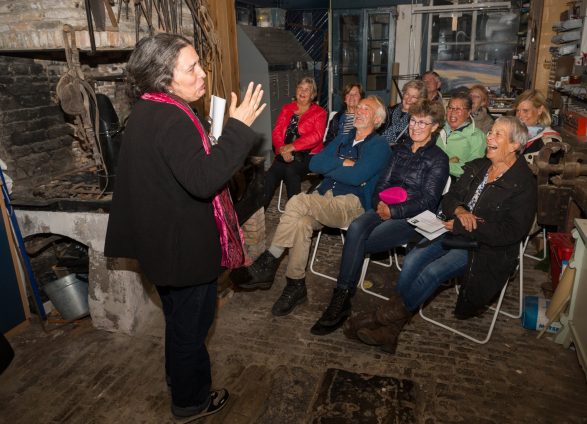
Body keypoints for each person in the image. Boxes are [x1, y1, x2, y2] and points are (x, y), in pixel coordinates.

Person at [104, 33, 266, 421]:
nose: (203, 73)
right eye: (191, 67)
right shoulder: (171, 116)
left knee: (178, 323)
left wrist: (212, 140)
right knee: (192, 329)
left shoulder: (147, 110)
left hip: (161, 246)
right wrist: (239, 128)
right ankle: (191, 402)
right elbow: (203, 180)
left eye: (200, 63)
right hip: (183, 250)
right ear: (164, 77)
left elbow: (177, 167)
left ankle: (179, 380)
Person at [344, 116, 537, 354]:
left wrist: (465, 225)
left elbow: (511, 232)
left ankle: (380, 319)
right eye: (491, 132)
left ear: (514, 145)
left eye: (498, 134)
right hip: (452, 228)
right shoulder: (479, 167)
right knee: (413, 259)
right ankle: (390, 331)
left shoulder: (523, 183)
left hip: (482, 246)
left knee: (433, 272)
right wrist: (459, 211)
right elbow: (449, 198)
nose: (489, 137)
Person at [232, 96, 391, 318]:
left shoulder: (380, 146)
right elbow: (314, 164)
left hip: (351, 204)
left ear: (377, 119)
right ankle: (295, 285)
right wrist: (342, 162)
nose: (359, 110)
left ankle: (269, 261)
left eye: (366, 109)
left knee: (296, 201)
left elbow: (357, 177)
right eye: (359, 107)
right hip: (323, 196)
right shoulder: (344, 137)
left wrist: (332, 165)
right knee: (301, 223)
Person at [311, 99, 449, 335]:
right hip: (384, 207)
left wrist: (394, 212)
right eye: (413, 121)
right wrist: (380, 204)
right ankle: (341, 298)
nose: (415, 127)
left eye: (423, 123)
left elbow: (429, 200)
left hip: (413, 218)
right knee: (356, 227)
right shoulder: (400, 149)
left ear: (435, 126)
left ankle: (343, 299)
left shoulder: (438, 159)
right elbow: (380, 183)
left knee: (360, 241)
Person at [263, 77, 327, 209]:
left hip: (309, 154)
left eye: (307, 89)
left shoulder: (320, 112)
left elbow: (317, 136)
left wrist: (292, 147)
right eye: (300, 88)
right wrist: (282, 149)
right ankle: (258, 212)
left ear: (313, 94)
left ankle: (295, 212)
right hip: (284, 151)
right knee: (270, 175)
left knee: (291, 171)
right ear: (296, 91)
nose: (303, 92)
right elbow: (277, 131)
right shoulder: (287, 108)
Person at [437, 91, 486, 179]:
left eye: (458, 109)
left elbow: (473, 170)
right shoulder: (437, 130)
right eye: (450, 108)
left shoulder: (476, 136)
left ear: (468, 112)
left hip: (458, 186)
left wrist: (442, 165)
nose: (453, 112)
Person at [513, 89, 561, 165]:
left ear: (540, 110)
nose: (520, 116)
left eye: (525, 111)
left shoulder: (550, 140)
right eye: (517, 111)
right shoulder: (513, 133)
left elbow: (548, 172)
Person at [378, 79, 428, 146]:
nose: (408, 99)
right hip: (379, 146)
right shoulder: (388, 111)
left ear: (420, 100)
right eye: (407, 94)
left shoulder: (419, 120)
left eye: (414, 97)